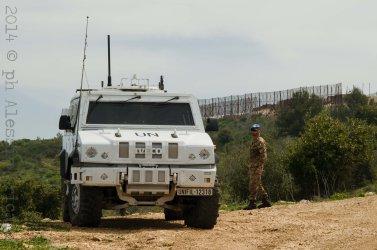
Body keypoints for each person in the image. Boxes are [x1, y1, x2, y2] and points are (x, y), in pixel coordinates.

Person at [244, 123, 271, 210]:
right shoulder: (254, 141)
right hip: (253, 166)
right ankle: (265, 201)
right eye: (252, 131)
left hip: (257, 166)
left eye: (255, 131)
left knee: (252, 184)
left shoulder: (260, 141)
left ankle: (252, 202)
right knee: (257, 184)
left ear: (259, 131)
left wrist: (259, 166)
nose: (254, 133)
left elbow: (263, 155)